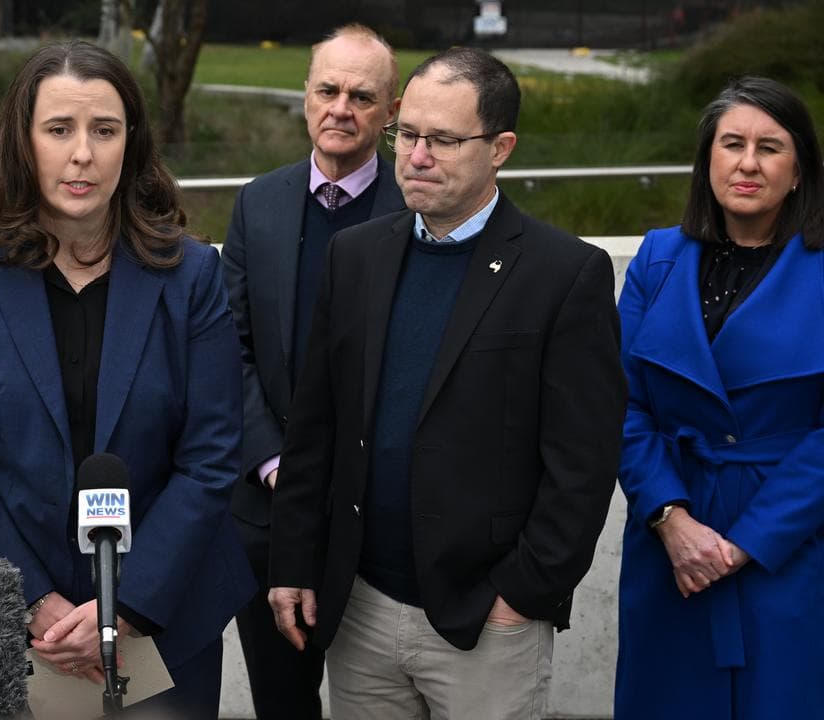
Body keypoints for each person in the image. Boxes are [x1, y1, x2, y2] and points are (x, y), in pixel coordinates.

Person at [267, 47, 627, 719]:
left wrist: (521, 596)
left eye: (444, 140)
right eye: (409, 134)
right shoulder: (356, 257)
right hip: (361, 608)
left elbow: (582, 462)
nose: (418, 155)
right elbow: (315, 426)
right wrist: (293, 560)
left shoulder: (564, 275)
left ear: (501, 148)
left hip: (485, 622)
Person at [0, 41, 255, 718]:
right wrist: (35, 601)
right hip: (2, 615)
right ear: (23, 140)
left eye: (105, 130)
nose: (82, 154)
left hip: (160, 612)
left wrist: (125, 605)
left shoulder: (191, 277)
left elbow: (212, 456)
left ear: (132, 141)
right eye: (59, 129)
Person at [615, 76, 824, 719]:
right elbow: (619, 402)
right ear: (708, 159)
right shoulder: (656, 258)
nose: (748, 163)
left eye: (770, 146)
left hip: (788, 546)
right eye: (732, 143)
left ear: (799, 171)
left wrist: (745, 543)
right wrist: (670, 519)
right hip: (668, 541)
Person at [220, 23, 404, 720]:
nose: (341, 107)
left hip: (379, 518)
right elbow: (228, 349)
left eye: (362, 95)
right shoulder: (257, 204)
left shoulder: (417, 208)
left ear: (390, 113)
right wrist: (276, 463)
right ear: (305, 94)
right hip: (268, 515)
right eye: (328, 89)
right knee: (283, 706)